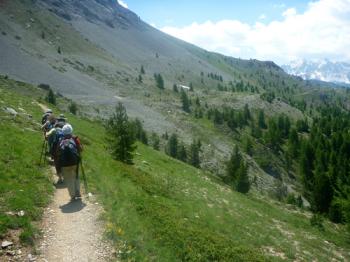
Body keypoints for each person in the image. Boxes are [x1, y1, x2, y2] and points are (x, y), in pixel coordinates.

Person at [58, 124, 83, 201]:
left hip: (64, 164)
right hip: (75, 162)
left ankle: (72, 196)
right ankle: (77, 191)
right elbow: (81, 149)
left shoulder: (61, 141)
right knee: (76, 176)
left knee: (69, 179)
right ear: (71, 131)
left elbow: (57, 152)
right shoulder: (75, 139)